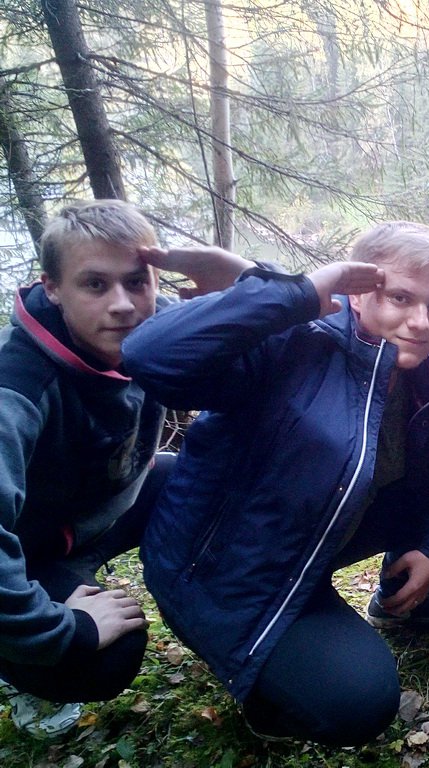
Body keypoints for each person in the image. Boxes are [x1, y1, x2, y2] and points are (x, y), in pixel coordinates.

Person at [122, 221, 429, 747]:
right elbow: (147, 355)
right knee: (358, 701)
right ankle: (266, 692)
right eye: (400, 298)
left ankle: (396, 598)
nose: (421, 322)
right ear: (356, 292)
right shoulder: (294, 341)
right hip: (220, 575)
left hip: (305, 552)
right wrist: (291, 293)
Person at [0, 199, 253, 736]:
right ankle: (18, 658)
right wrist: (65, 630)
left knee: (209, 478)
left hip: (104, 510)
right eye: (94, 284)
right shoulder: (14, 386)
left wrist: (244, 285)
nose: (121, 305)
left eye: (137, 282)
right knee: (106, 656)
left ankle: (223, 613)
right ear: (52, 287)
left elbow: (303, 341)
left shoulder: (159, 327)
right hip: (30, 550)